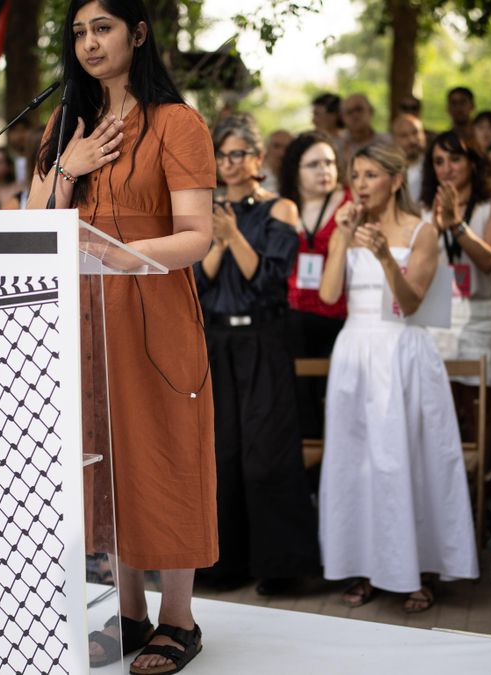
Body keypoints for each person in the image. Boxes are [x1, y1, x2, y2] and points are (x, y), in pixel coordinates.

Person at [27, 1, 216, 671]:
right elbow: (32, 219)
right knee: (105, 458)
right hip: (80, 313)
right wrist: (69, 166)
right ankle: (129, 612)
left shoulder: (177, 123)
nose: (87, 42)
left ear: (137, 34)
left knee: (162, 450)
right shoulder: (66, 122)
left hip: (152, 305)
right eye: (78, 31)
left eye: (101, 27)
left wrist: (121, 253)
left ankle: (179, 619)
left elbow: (198, 234)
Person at [316, 141, 478, 613]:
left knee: (406, 460)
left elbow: (410, 304)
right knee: (357, 462)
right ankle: (366, 565)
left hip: (402, 350)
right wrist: (342, 238)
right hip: (354, 351)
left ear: (395, 179)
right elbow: (328, 296)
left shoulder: (422, 230)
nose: (360, 185)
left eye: (369, 175)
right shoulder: (346, 225)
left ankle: (418, 569)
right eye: (356, 175)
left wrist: (387, 257)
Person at [194, 114, 318, 596]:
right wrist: (218, 237)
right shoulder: (206, 208)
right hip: (217, 340)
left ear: (258, 158)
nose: (229, 163)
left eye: (238, 153)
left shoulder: (281, 209)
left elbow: (268, 281)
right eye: (222, 154)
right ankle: (225, 565)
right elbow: (200, 281)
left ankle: (281, 566)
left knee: (266, 453)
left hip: (264, 337)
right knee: (221, 451)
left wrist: (233, 236)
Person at [421, 131, 491, 416]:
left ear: (473, 162)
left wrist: (456, 225)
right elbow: (418, 264)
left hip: (480, 311)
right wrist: (436, 226)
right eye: (438, 161)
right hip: (437, 311)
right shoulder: (424, 210)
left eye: (455, 159)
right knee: (438, 407)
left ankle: (482, 462)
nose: (446, 168)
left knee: (477, 411)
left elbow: (490, 261)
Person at [278, 131, 351, 438]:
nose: (325, 170)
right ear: (295, 170)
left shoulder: (349, 204)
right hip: (293, 316)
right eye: (314, 164)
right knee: (296, 396)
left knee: (333, 398)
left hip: (340, 316)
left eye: (330, 162)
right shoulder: (283, 207)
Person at [337, 94, 391, 181]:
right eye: (349, 112)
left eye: (359, 109)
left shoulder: (388, 141)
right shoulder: (336, 147)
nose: (355, 115)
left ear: (371, 111)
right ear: (342, 117)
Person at [392, 113, 427, 204]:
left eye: (415, 133)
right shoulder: (387, 171)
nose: (412, 140)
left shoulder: (435, 167)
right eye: (404, 135)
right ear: (394, 140)